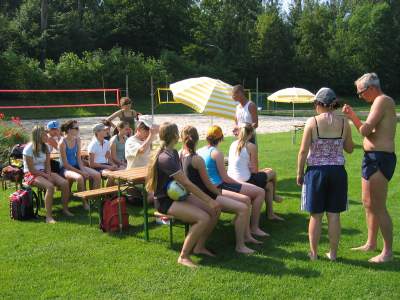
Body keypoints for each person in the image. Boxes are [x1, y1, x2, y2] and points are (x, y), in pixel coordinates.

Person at [146, 122, 221, 268]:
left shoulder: (173, 153)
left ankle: (199, 247)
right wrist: (209, 200)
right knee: (203, 218)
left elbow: (183, 184)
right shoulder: (165, 158)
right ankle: (183, 256)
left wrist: (210, 202)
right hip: (165, 201)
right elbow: (186, 183)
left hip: (178, 195)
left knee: (214, 211)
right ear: (175, 136)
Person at [342, 73, 396, 263]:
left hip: (380, 158)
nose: (360, 96)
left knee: (379, 206)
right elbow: (372, 132)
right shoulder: (379, 103)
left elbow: (365, 130)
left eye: (361, 92)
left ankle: (387, 252)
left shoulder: (382, 100)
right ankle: (371, 243)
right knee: (367, 202)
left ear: (371, 88)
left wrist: (352, 116)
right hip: (371, 158)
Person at [297, 88, 354, 261]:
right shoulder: (344, 123)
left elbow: (303, 151)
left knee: (316, 215)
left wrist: (299, 173)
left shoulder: (312, 122)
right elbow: (350, 149)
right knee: (334, 215)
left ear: (319, 104)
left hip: (316, 172)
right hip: (337, 172)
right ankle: (333, 254)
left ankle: (313, 254)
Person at [181, 125, 256, 254]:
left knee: (244, 203)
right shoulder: (197, 158)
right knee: (243, 207)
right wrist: (220, 194)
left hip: (197, 194)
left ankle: (244, 236)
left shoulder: (182, 154)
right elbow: (208, 184)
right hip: (207, 195)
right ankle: (240, 245)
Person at [197, 125, 267, 237]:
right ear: (220, 138)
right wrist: (240, 184)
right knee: (260, 192)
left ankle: (247, 229)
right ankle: (254, 227)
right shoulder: (216, 153)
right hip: (220, 186)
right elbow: (225, 178)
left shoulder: (199, 151)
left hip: (210, 186)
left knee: (250, 196)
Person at [228, 123, 284, 221]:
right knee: (272, 172)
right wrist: (263, 170)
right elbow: (255, 171)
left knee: (269, 185)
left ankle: (270, 214)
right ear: (250, 134)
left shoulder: (233, 144)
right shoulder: (251, 146)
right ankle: (274, 196)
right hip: (246, 181)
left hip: (232, 179)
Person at [23, 125, 72, 223]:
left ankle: (65, 209)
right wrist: (46, 176)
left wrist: (48, 174)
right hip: (31, 174)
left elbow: (48, 164)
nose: (48, 137)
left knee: (65, 183)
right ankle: (48, 217)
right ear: (38, 136)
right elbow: (32, 170)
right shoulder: (28, 149)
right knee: (50, 186)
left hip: (44, 172)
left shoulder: (46, 147)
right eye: (45, 135)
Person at [59, 120, 101, 209]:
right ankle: (84, 202)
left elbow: (78, 158)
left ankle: (93, 199)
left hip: (76, 165)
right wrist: (81, 172)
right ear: (69, 130)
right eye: (76, 128)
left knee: (97, 175)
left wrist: (83, 169)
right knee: (80, 178)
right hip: (65, 168)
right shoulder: (62, 143)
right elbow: (66, 165)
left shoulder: (77, 140)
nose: (78, 130)